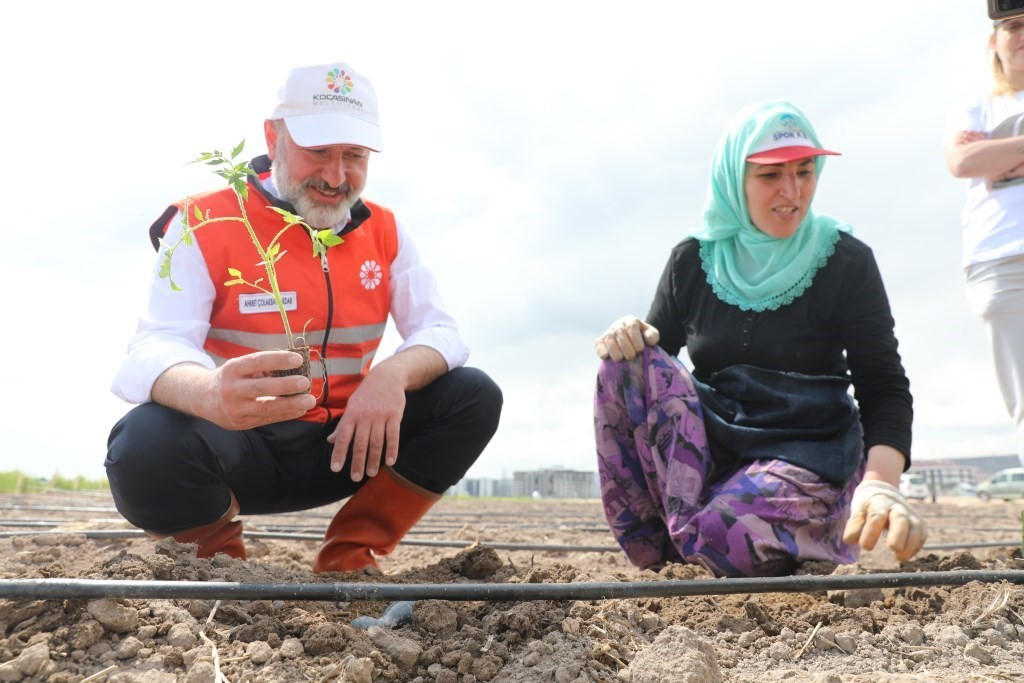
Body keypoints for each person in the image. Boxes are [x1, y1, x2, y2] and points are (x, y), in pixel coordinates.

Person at [106, 61, 503, 573]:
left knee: (472, 395)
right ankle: (221, 570)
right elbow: (155, 344)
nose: (336, 177)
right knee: (143, 443)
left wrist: (393, 374)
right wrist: (208, 392)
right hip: (239, 447)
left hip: (346, 447)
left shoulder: (385, 229)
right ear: (274, 139)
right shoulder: (204, 220)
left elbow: (441, 331)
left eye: (354, 156)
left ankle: (350, 555)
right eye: (318, 152)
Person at [592, 100, 926, 578]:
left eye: (805, 172)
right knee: (622, 360)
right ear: (734, 179)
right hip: (714, 447)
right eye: (771, 175)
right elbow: (651, 377)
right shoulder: (692, 260)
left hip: (807, 451)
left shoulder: (845, 261)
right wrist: (628, 334)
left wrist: (881, 484)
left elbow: (884, 385)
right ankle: (670, 550)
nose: (793, 191)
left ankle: (782, 532)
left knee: (718, 535)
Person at [945, 10, 1024, 469]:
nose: (1022, 34)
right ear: (993, 42)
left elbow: (980, 158)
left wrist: (999, 153)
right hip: (1001, 258)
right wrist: (981, 156)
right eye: (1012, 26)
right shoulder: (974, 107)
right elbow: (963, 162)